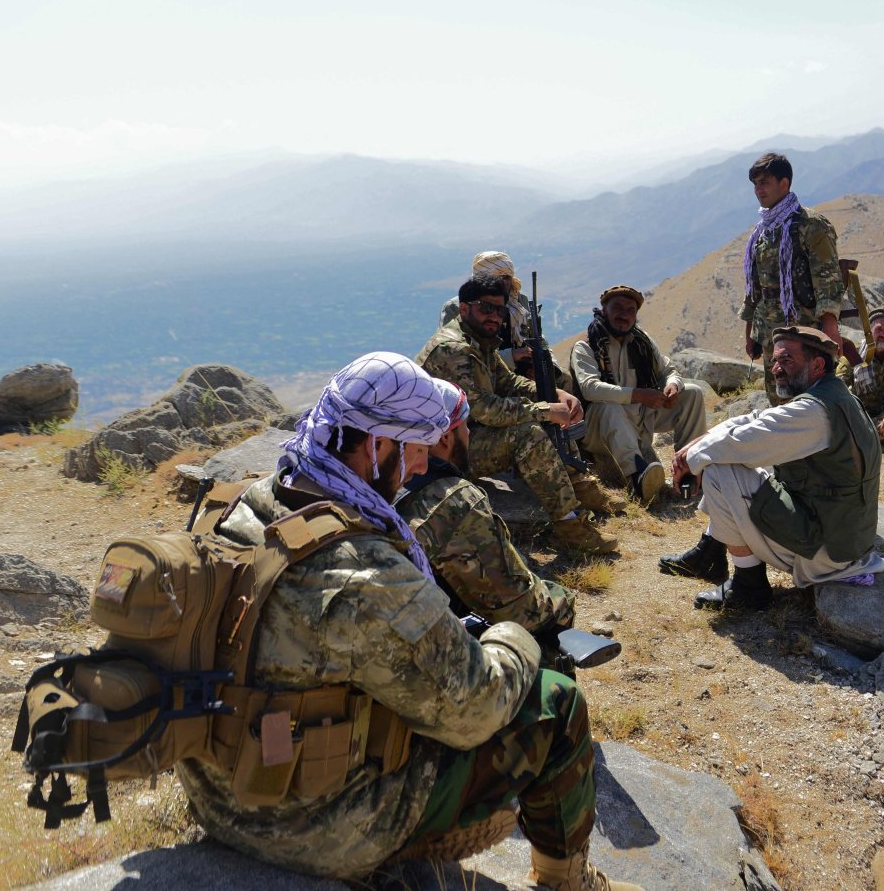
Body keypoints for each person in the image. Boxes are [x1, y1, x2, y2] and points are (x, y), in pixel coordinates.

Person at [176, 353, 639, 890]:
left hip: (216, 798)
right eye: (415, 449)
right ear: (376, 446)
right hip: (314, 830)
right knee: (557, 704)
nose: (420, 466)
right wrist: (511, 638)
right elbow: (477, 710)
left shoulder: (245, 506)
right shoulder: (366, 571)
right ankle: (568, 884)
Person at [660, 326, 884, 611]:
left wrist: (689, 462)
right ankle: (711, 550)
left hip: (826, 551)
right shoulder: (835, 398)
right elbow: (756, 420)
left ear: (816, 365)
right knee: (727, 459)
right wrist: (697, 444)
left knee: (719, 470)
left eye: (787, 360)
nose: (776, 369)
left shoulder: (813, 412)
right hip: (840, 534)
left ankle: (748, 585)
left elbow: (743, 442)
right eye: (775, 360)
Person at [417, 274, 617, 554]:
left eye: (499, 310)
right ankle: (571, 530)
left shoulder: (479, 340)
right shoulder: (454, 349)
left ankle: (581, 490)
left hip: (464, 438)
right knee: (529, 435)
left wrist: (554, 395)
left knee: (544, 422)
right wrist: (547, 410)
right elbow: (485, 409)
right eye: (485, 308)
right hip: (441, 453)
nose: (494, 316)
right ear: (464, 309)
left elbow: (508, 384)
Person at [397, 385, 576, 641]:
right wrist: (563, 600)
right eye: (465, 425)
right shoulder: (453, 501)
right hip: (430, 652)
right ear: (446, 438)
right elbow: (521, 612)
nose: (469, 433)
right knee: (553, 613)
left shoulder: (371, 483)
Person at [569, 284, 707, 506]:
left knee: (692, 393)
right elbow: (590, 388)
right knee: (609, 406)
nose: (624, 315)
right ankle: (637, 478)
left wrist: (672, 386)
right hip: (598, 427)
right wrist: (638, 395)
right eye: (617, 308)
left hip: (640, 417)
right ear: (604, 309)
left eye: (630, 310)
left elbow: (669, 370)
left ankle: (689, 470)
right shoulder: (586, 346)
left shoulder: (641, 343)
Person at [738, 152, 845, 403]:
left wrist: (830, 326)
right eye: (755, 184)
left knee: (808, 394)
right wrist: (749, 331)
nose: (758, 190)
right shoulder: (762, 232)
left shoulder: (811, 225)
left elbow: (827, 280)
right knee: (777, 394)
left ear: (784, 184)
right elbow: (754, 287)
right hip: (769, 332)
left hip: (803, 329)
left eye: (764, 182)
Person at [439, 251, 539, 376]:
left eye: (506, 277)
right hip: (479, 374)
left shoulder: (520, 303)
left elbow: (537, 339)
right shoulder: (456, 307)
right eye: (496, 277)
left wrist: (541, 364)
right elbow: (457, 356)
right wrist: (511, 356)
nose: (503, 282)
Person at [837, 307, 884, 445]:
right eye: (879, 329)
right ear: (870, 331)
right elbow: (840, 385)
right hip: (857, 412)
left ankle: (859, 437)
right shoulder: (852, 352)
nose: (883, 334)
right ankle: (865, 436)